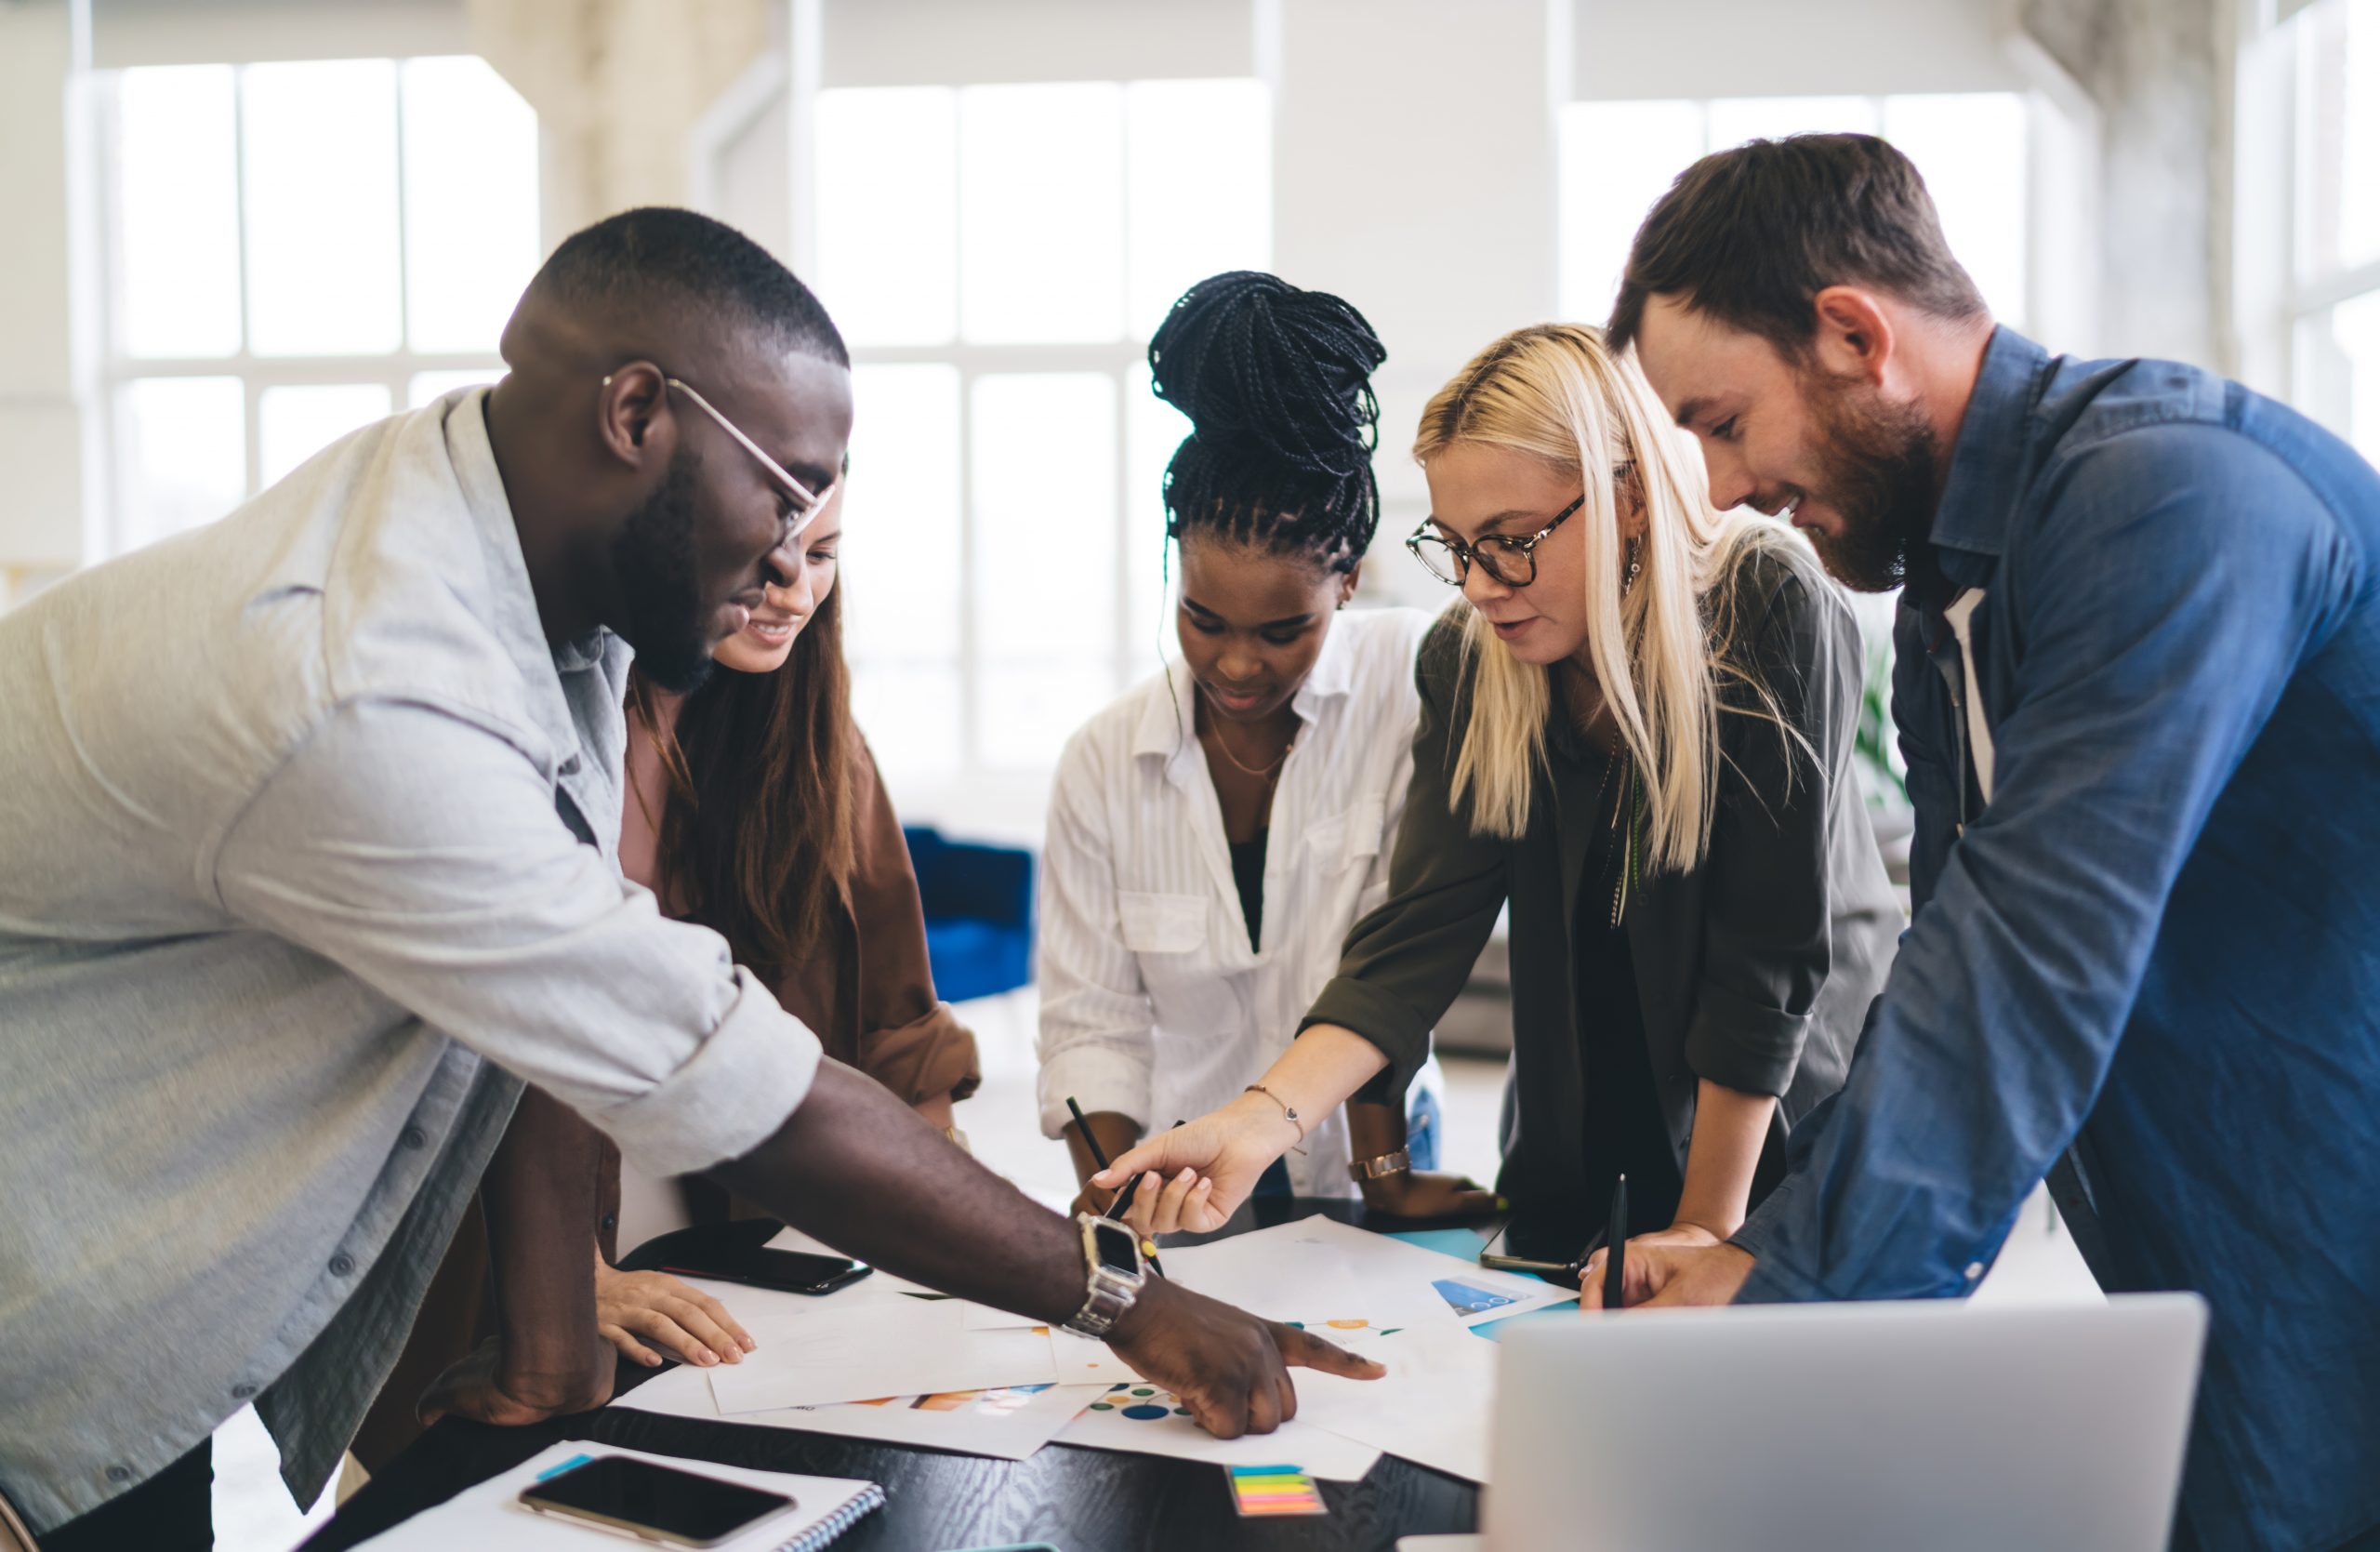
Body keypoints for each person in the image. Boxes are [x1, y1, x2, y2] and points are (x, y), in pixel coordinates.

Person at [0, 208, 1375, 1550]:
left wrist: (548, 1359)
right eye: (782, 494)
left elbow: (541, 1023)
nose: (792, 562)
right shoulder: (368, 685)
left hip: (112, 1293)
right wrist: (1129, 1304)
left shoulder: (513, 564)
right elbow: (736, 1086)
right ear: (638, 414)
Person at [1588, 134, 2380, 1552]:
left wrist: (1792, 1312)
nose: (1718, 488)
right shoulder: (1953, 588)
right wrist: (1762, 1244)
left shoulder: (2173, 499)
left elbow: (2028, 960)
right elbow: (1950, 958)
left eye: (1721, 422)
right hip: (2216, 1240)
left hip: (2331, 1218)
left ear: (1851, 334)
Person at [1097, 320, 1899, 1261]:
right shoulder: (1471, 662)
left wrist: (1706, 1226)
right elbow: (1414, 939)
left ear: (1627, 497)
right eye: (1456, 545)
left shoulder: (1769, 605)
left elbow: (1765, 961)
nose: (1478, 585)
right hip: (1580, 1143)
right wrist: (1257, 1120)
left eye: (1510, 541)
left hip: (1777, 1140)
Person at [352, 476, 983, 1468]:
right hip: (493, 1277)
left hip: (731, 1262)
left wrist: (951, 1255)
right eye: (764, 557)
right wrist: (567, 1276)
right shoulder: (534, 722)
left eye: (822, 556)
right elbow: (438, 1040)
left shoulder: (819, 744)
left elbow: (900, 1041)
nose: (792, 592)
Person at [1037, 272, 1469, 1226]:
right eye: (1200, 617)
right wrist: (1117, 1207)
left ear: (1349, 583)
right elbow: (1091, 1026)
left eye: (1282, 631)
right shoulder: (1101, 764)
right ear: (1172, 563)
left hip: (1377, 1161)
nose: (1235, 664)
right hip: (1178, 1179)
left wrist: (1385, 1175)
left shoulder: (1413, 680)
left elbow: (1392, 954)